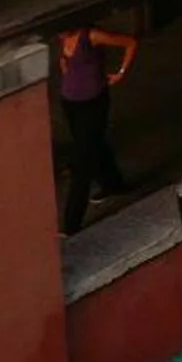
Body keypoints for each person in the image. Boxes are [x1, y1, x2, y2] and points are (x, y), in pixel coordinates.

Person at [58, 23, 137, 235]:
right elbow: (65, 61)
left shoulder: (92, 35)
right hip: (71, 102)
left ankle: (71, 224)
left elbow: (129, 42)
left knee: (83, 163)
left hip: (93, 103)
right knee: (92, 144)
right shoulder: (62, 37)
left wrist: (120, 73)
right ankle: (114, 184)